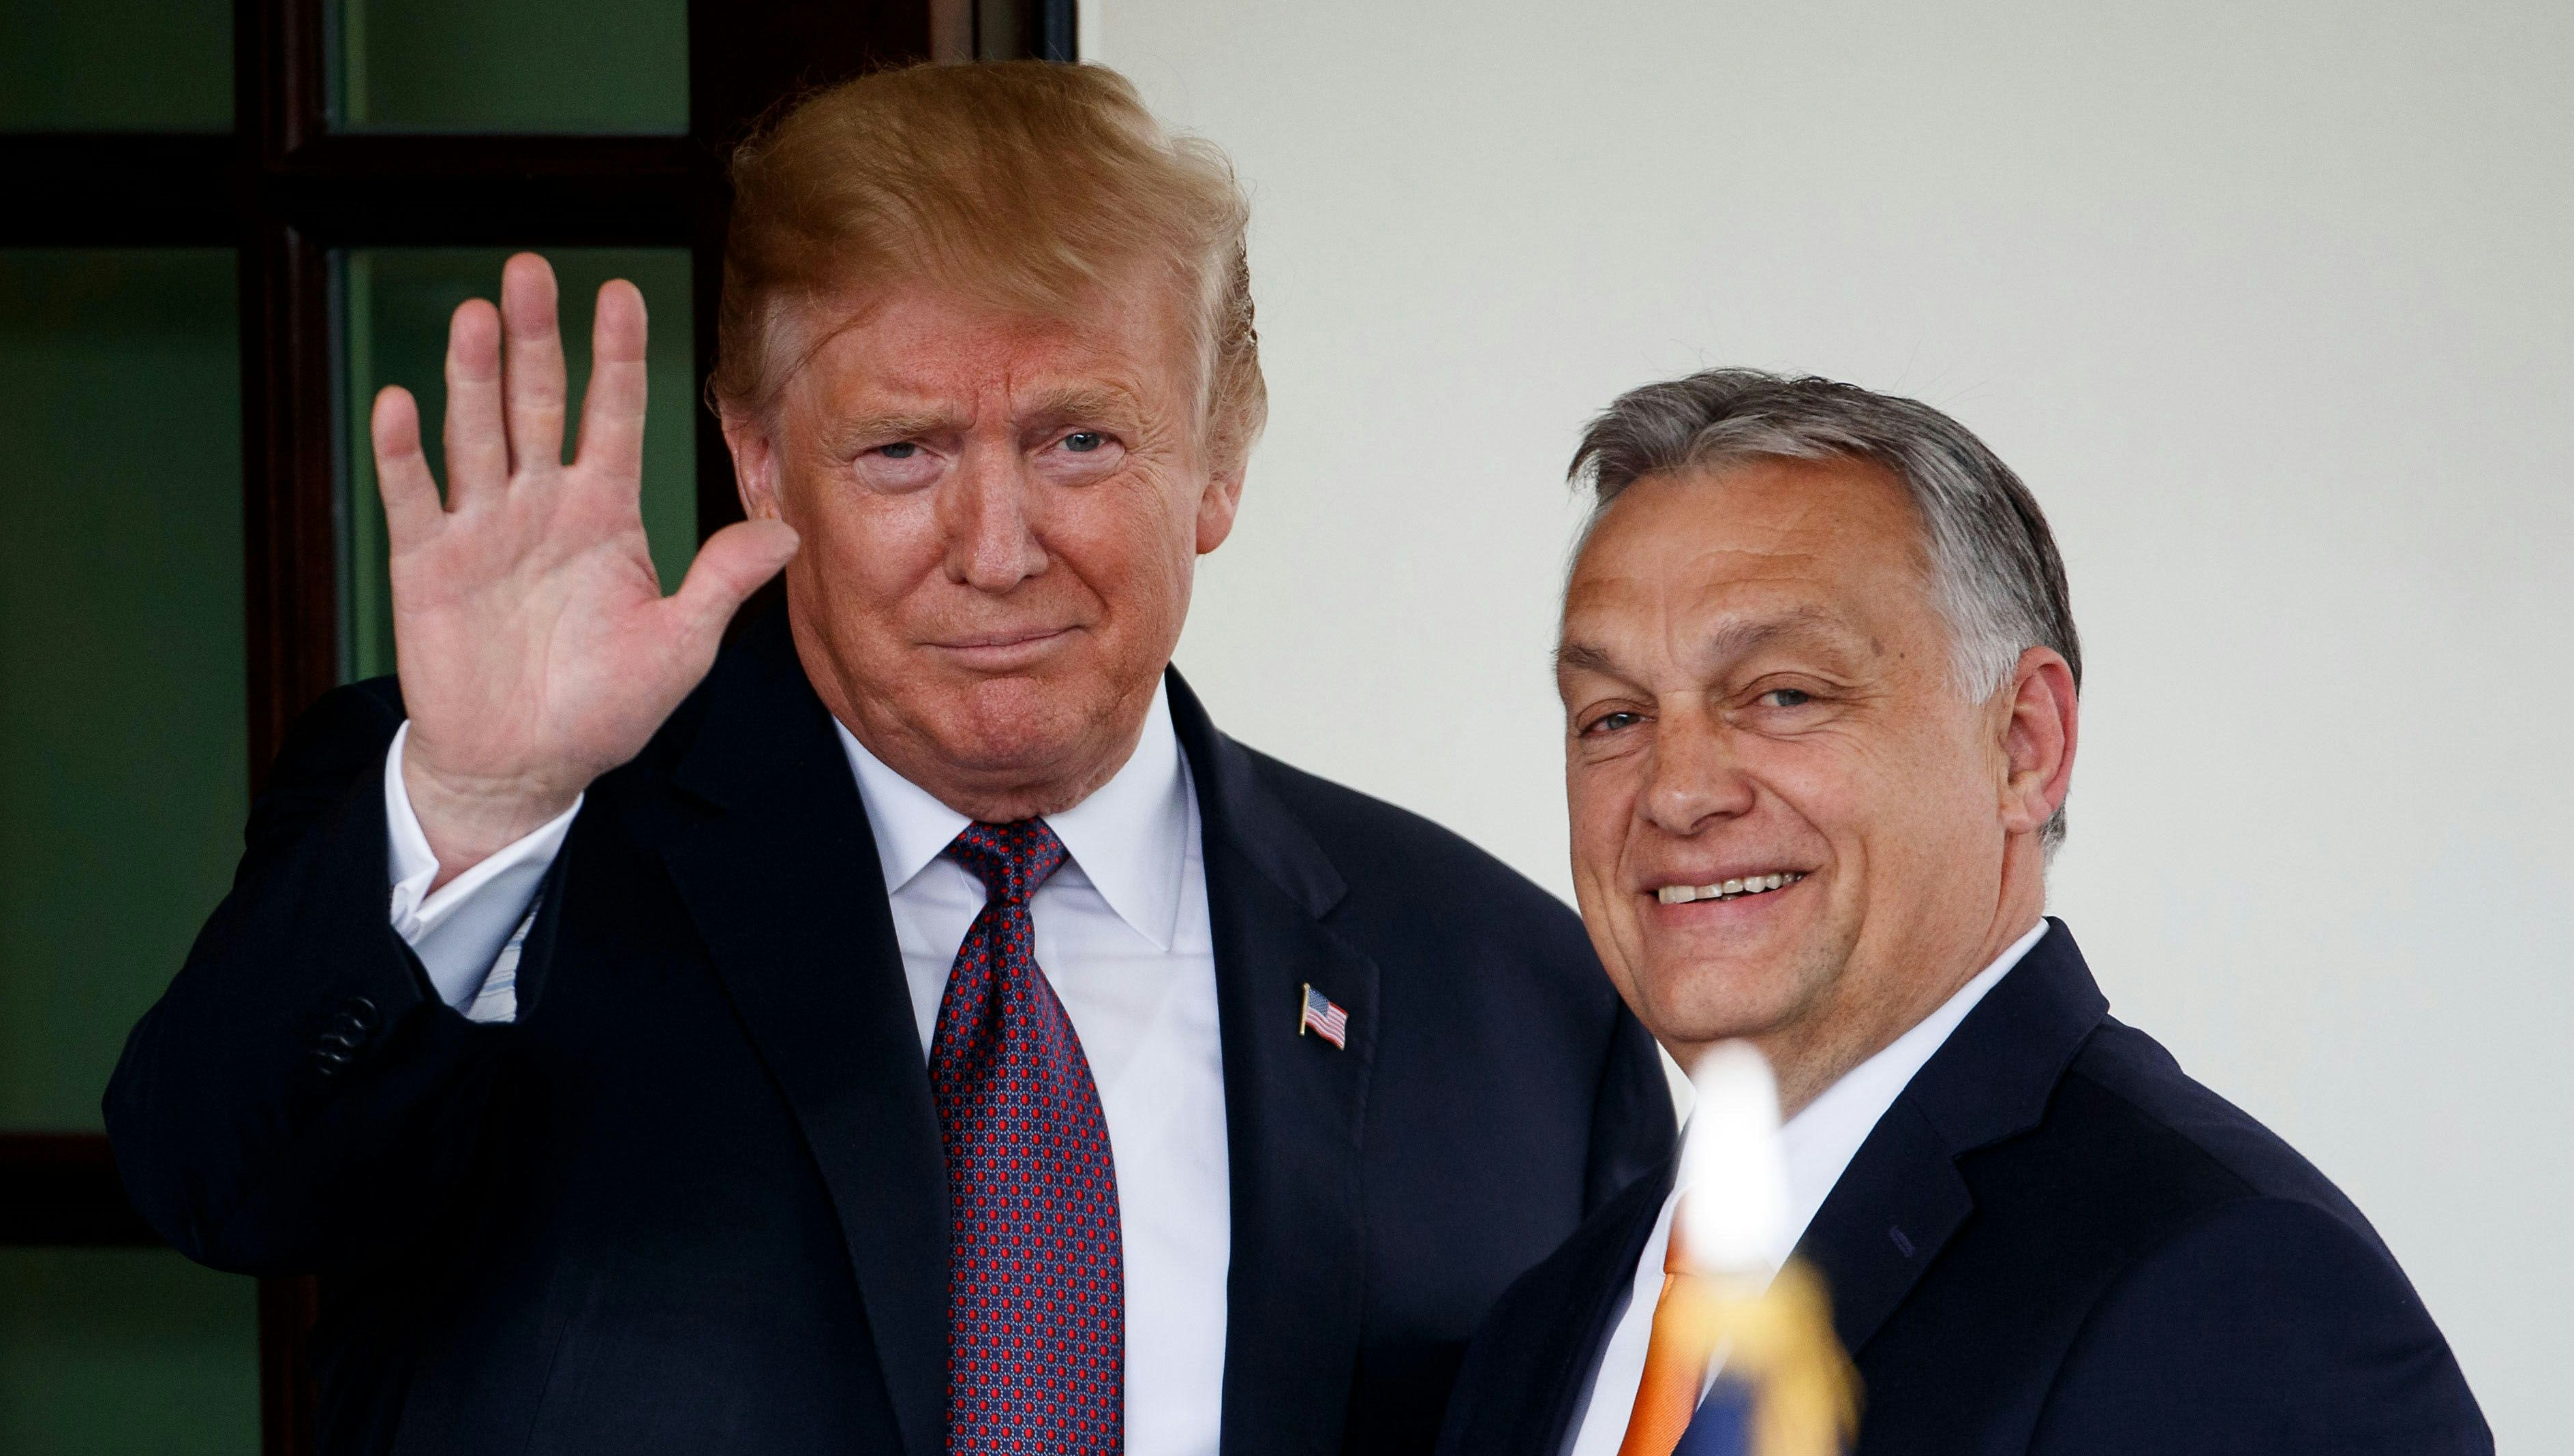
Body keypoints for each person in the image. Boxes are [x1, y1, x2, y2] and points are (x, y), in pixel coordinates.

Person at [105, 63, 1671, 1456]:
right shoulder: (516, 854)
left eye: (1078, 440)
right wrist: (480, 804)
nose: (995, 550)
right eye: (902, 451)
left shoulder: (1516, 997)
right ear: (760, 461)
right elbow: (216, 1184)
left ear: (1219, 456)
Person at [1434, 371, 2491, 1456]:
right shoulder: (1536, 1334)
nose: (1676, 791)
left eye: (1784, 694)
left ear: (2025, 745)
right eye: (1613, 716)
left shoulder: (2230, 1293)